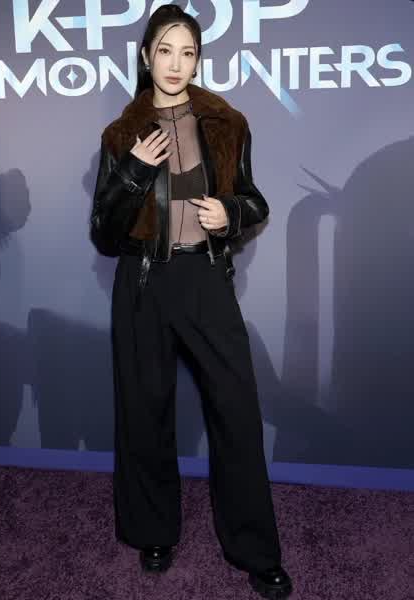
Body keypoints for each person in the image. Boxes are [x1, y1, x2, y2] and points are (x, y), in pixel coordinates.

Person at [90, 4, 293, 598]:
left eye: (188, 52)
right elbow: (103, 232)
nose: (176, 64)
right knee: (144, 412)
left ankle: (256, 550)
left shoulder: (227, 123)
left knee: (236, 412)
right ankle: (154, 531)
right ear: (146, 56)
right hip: (142, 284)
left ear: (198, 59)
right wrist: (133, 171)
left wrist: (229, 212)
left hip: (204, 278)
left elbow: (254, 200)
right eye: (165, 50)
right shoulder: (121, 134)